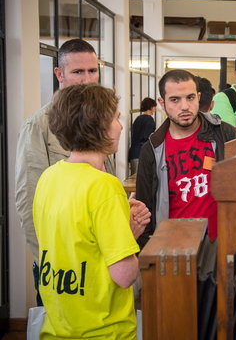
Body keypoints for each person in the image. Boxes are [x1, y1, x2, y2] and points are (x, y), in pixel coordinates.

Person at [15, 38, 149, 305]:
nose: (88, 80)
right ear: (59, 74)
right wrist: (54, 263)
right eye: (78, 72)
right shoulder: (38, 125)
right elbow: (29, 202)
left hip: (104, 262)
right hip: (67, 271)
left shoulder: (100, 119)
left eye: (93, 71)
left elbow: (102, 187)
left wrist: (121, 214)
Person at [33, 84, 150, 338]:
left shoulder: (48, 177)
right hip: (102, 331)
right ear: (98, 127)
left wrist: (120, 226)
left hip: (56, 327)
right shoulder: (105, 187)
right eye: (116, 118)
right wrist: (129, 235)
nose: (120, 126)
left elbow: (75, 243)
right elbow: (125, 275)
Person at [136, 69, 236, 247]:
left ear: (198, 97)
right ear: (162, 102)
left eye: (190, 97)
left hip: (220, 245)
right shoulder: (152, 149)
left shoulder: (225, 133)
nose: (184, 106)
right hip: (174, 250)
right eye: (175, 99)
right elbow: (145, 208)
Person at [129, 97, 156, 174]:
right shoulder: (149, 119)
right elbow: (146, 137)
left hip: (134, 153)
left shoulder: (138, 119)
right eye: (154, 107)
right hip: (142, 155)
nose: (155, 109)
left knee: (133, 181)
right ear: (151, 107)